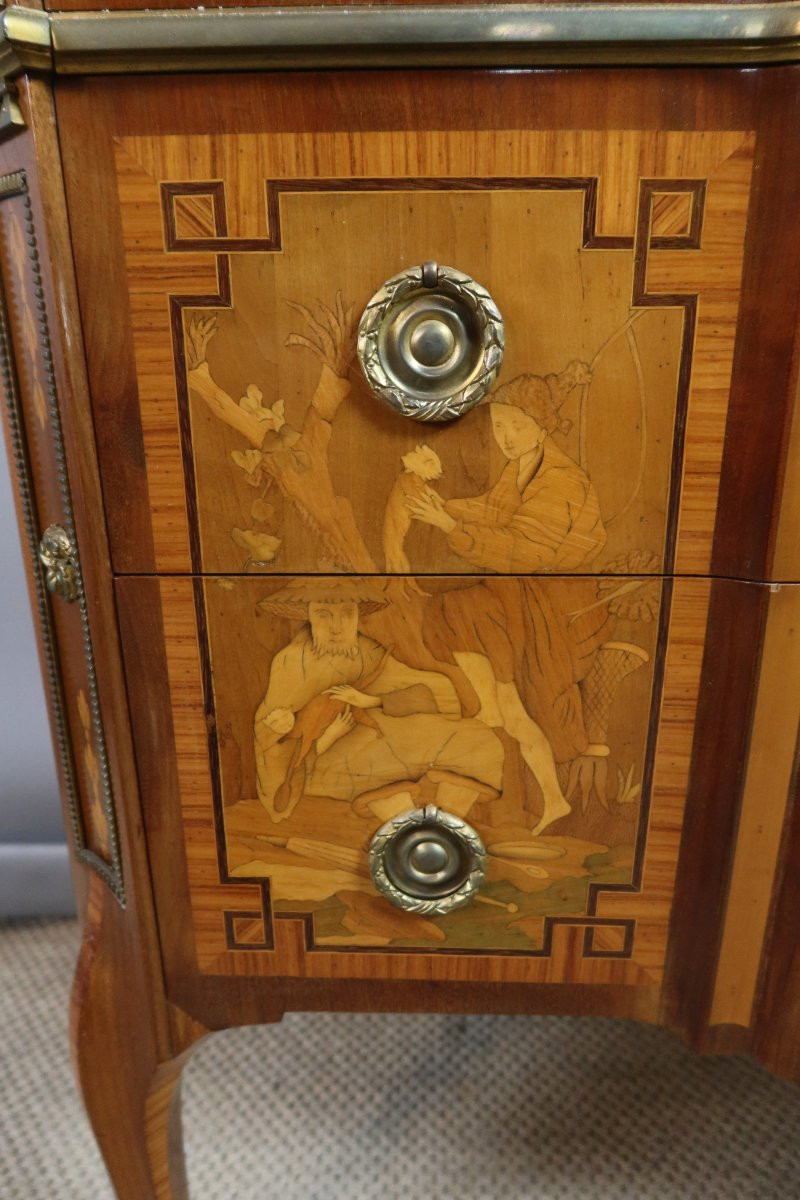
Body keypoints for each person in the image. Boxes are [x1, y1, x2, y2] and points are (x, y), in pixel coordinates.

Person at [253, 579, 504, 823]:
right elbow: (268, 735)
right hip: (329, 758)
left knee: (477, 738)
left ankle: (449, 824)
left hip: (382, 736)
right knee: (376, 766)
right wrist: (289, 728)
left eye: (346, 614)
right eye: (324, 615)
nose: (337, 626)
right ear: (309, 616)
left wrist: (371, 700)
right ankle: (403, 828)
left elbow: (426, 691)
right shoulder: (290, 662)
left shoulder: (369, 652)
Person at [406, 367, 606, 573]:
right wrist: (445, 506)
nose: (507, 438)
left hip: (555, 589)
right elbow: (492, 510)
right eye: (499, 425)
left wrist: (449, 526)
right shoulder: (520, 463)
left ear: (543, 427)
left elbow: (525, 551)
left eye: (518, 426)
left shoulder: (561, 480)